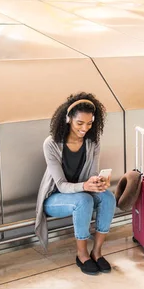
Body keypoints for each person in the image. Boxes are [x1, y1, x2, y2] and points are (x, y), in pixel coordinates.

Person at [35, 93, 116, 276]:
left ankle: (97, 252)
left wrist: (97, 182)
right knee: (83, 200)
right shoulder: (51, 144)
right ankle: (82, 254)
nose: (85, 128)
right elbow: (62, 185)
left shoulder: (93, 142)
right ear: (68, 119)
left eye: (89, 123)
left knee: (108, 197)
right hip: (55, 198)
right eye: (80, 123)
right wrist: (85, 187)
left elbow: (92, 174)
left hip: (82, 192)